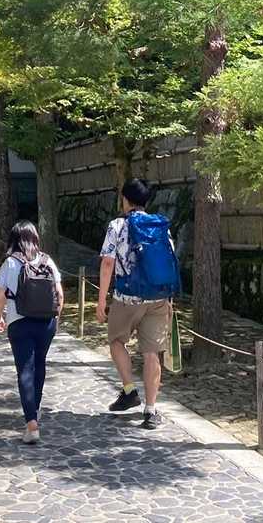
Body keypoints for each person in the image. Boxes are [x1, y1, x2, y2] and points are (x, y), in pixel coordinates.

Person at [96, 178, 181, 430]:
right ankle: (151, 410)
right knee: (152, 352)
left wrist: (101, 300)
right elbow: (169, 261)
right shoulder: (160, 226)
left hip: (127, 297)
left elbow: (108, 263)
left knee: (116, 341)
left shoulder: (117, 225)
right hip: (157, 297)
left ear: (125, 199)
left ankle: (130, 390)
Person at [0, 220, 63, 444]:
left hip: (20, 322)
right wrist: (56, 318)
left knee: (25, 369)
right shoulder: (47, 261)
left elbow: (1, 295)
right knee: (40, 364)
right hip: (46, 322)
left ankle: (31, 424)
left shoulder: (10, 263)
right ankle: (35, 408)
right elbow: (60, 294)